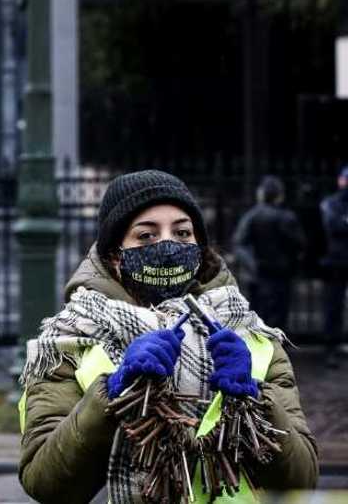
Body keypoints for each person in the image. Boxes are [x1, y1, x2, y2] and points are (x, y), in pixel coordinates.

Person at [18, 170, 317, 504]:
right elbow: (46, 484)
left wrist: (255, 403)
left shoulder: (252, 337)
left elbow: (301, 479)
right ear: (115, 256)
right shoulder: (68, 342)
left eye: (183, 232)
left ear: (199, 248)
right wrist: (112, 393)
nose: (168, 245)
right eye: (146, 235)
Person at [231, 175, 306, 330]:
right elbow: (300, 245)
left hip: (259, 275)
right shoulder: (287, 217)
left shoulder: (253, 215)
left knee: (259, 319)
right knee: (278, 320)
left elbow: (239, 243)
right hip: (281, 276)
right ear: (280, 195)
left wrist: (252, 265)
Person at [319, 166, 348, 368]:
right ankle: (331, 347)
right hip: (336, 262)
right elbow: (333, 225)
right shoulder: (331, 203)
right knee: (333, 307)